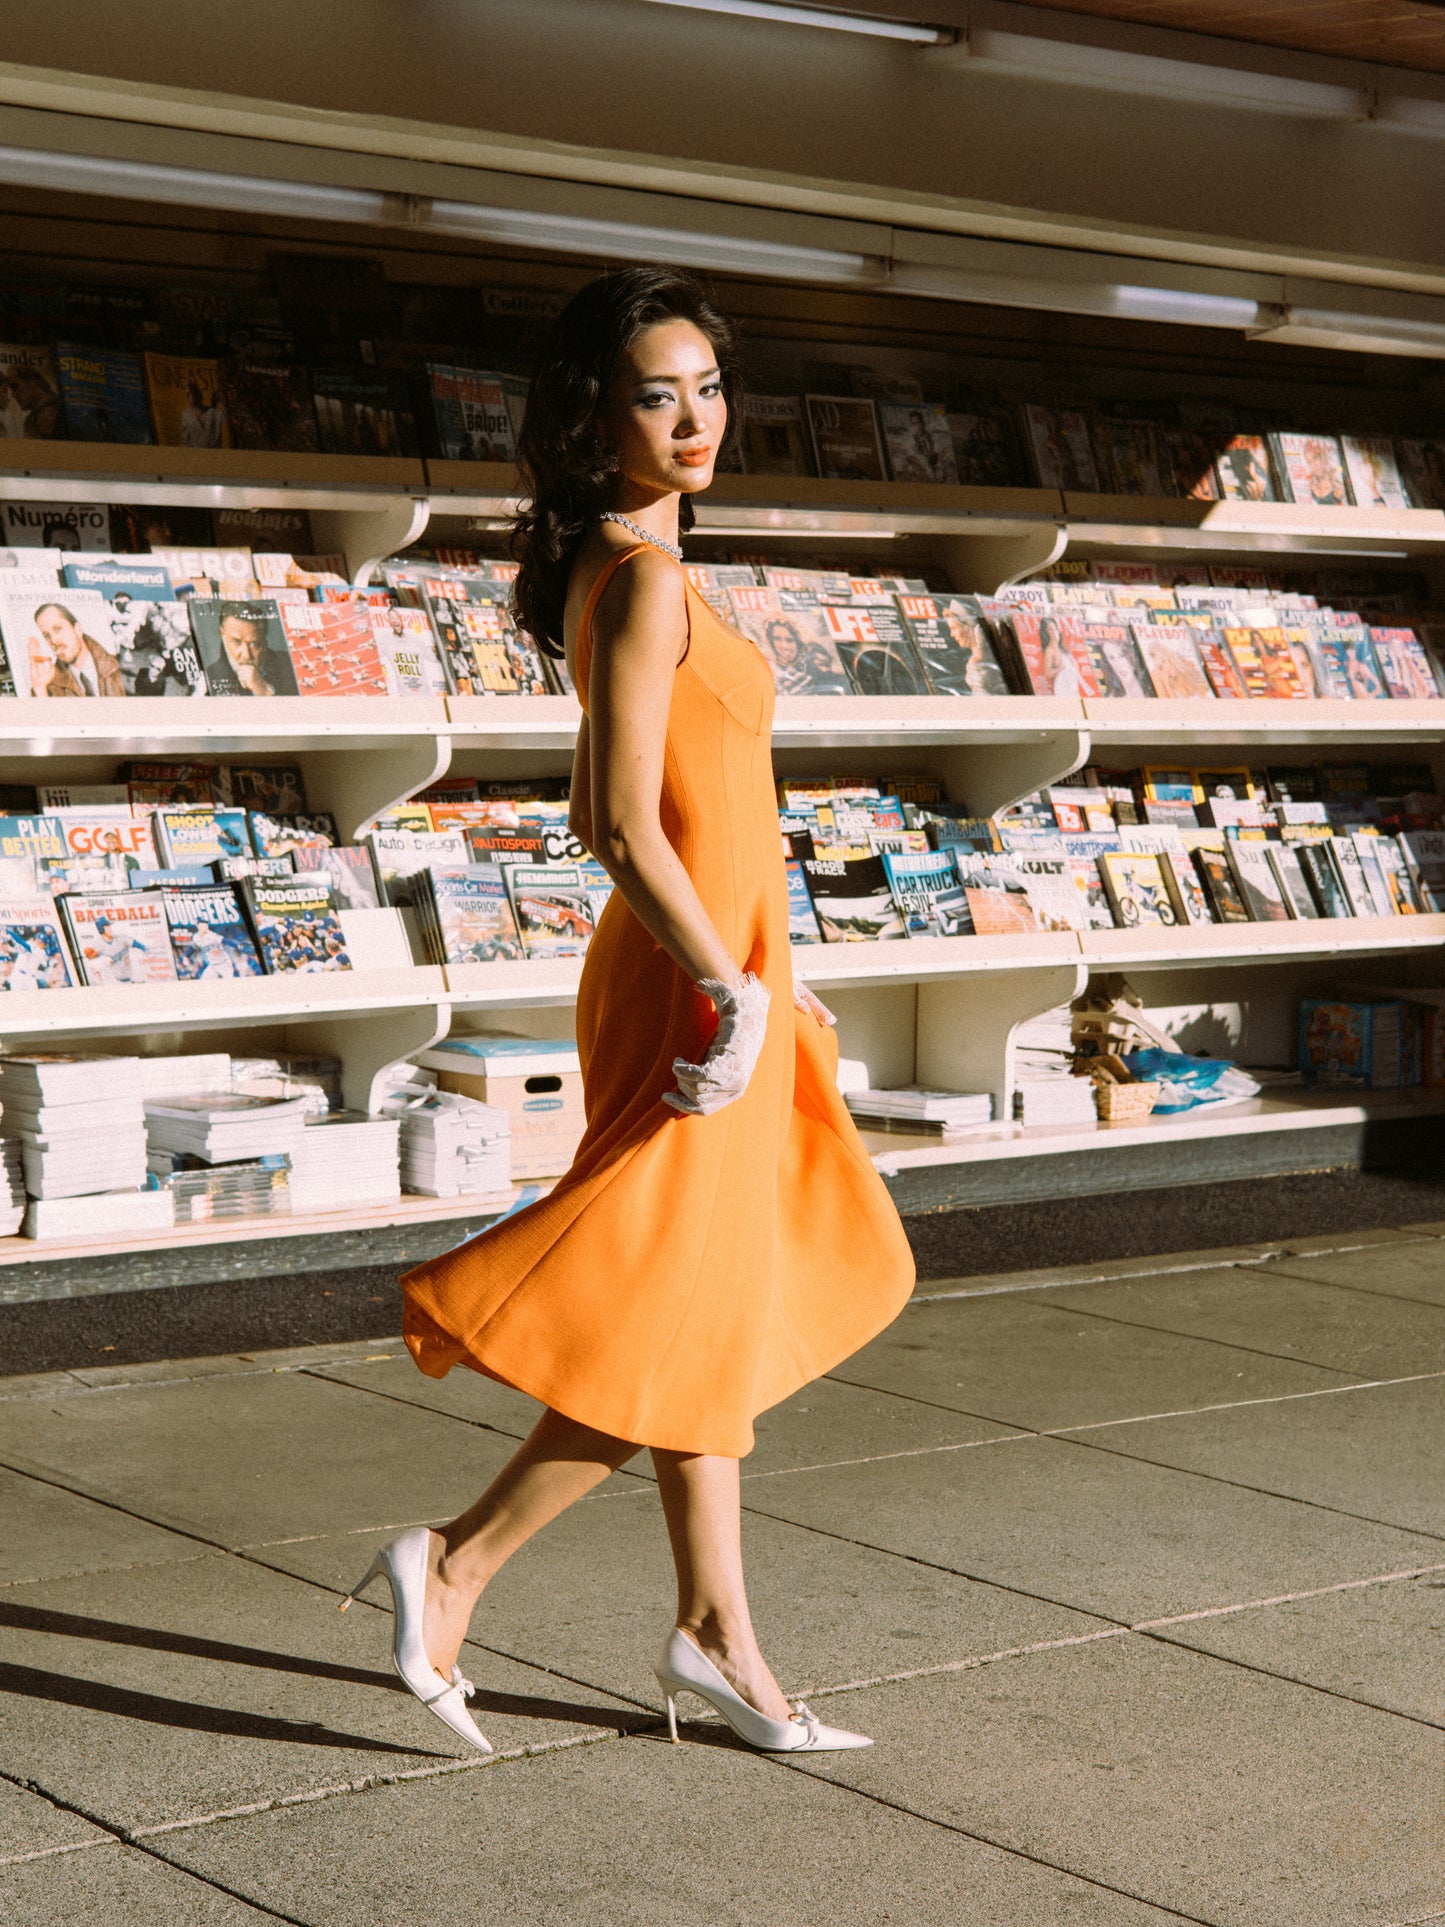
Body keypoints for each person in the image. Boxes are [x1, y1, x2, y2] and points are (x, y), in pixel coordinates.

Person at [344, 267, 914, 1760]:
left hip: (714, 968)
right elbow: (611, 814)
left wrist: (759, 979)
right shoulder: (645, 577)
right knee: (666, 1306)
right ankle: (455, 1561)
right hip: (692, 980)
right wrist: (730, 994)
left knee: (700, 1299)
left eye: (708, 387)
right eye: (658, 393)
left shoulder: (637, 569)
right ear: (596, 422)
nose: (694, 418)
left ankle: (717, 1631)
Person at [198, 605, 297, 697]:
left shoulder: (290, 664)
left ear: (264, 640)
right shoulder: (207, 678)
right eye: (236, 641)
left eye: (254, 644)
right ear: (222, 633)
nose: (246, 656)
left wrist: (264, 690)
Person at [33, 603, 126, 699]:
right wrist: (40, 690)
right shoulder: (48, 687)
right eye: (46, 635)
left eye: (58, 629)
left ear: (78, 629)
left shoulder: (121, 668)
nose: (54, 640)